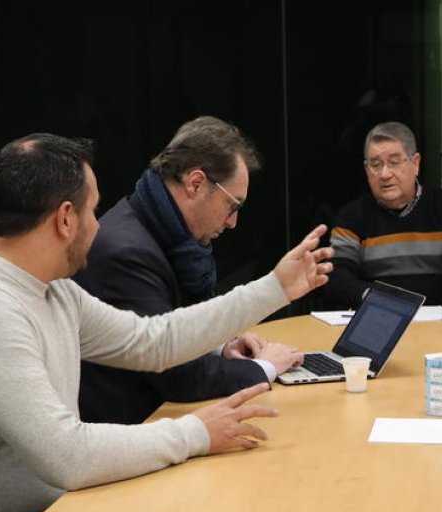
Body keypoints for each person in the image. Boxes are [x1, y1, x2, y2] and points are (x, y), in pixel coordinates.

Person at [0, 133, 333, 512]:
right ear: (65, 219)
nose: (100, 226)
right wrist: (195, 433)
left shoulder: (49, 288)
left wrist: (274, 288)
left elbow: (153, 342)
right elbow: (67, 455)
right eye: (93, 211)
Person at [74, 117, 303, 424]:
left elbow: (174, 327)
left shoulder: (158, 230)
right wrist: (264, 367)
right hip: (133, 429)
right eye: (232, 205)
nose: (233, 222)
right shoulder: (126, 251)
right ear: (196, 183)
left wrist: (220, 346)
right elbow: (173, 371)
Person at [325, 121, 442, 316]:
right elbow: (337, 275)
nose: (385, 174)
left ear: (416, 163)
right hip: (380, 319)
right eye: (376, 165)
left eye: (394, 163)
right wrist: (373, 298)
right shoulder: (351, 217)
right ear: (366, 170)